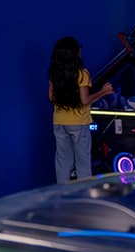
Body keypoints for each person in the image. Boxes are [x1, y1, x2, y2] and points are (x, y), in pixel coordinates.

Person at [48, 36, 113, 184]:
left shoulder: (54, 73)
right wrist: (104, 91)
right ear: (74, 52)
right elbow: (84, 100)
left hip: (58, 121)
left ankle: (62, 194)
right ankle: (84, 195)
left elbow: (51, 97)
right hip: (78, 122)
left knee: (62, 162)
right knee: (83, 162)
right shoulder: (82, 73)